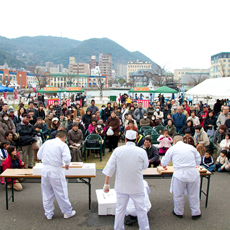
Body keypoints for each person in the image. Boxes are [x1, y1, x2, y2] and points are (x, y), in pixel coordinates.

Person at [102, 130, 150, 230]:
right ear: (136, 139)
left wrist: (106, 184)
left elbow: (110, 167)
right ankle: (144, 228)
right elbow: (145, 166)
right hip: (137, 186)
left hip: (121, 186)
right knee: (141, 209)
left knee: (120, 210)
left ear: (125, 139)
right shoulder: (141, 151)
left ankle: (118, 228)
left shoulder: (118, 151)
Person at [161, 135, 202, 220]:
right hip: (192, 173)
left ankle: (179, 212)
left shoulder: (172, 149)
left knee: (178, 194)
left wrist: (164, 165)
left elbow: (164, 162)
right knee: (194, 194)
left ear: (174, 141)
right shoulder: (191, 147)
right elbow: (198, 161)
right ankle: (196, 212)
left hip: (179, 174)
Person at [37, 130, 76, 220]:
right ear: (64, 138)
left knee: (47, 193)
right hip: (55, 170)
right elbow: (67, 157)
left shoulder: (47, 143)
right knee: (61, 192)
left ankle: (48, 213)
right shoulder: (63, 145)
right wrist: (67, 164)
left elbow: (39, 155)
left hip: (45, 170)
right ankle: (67, 212)